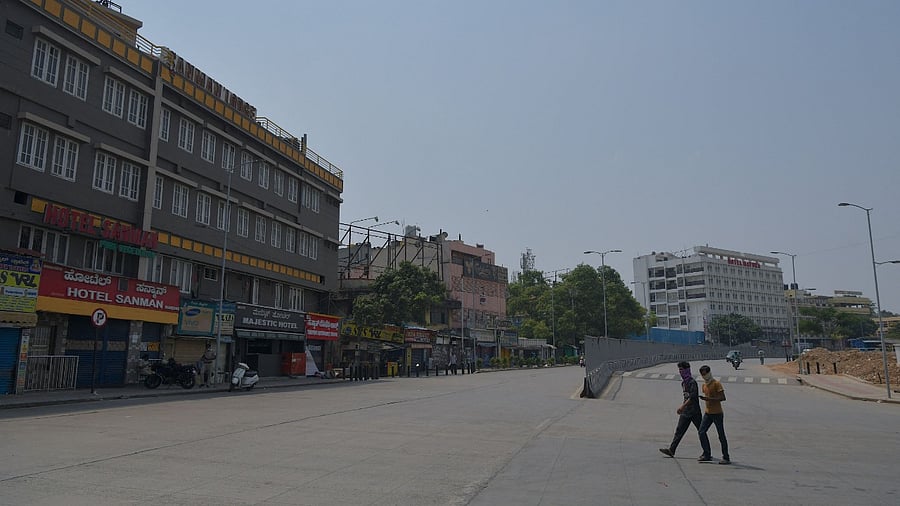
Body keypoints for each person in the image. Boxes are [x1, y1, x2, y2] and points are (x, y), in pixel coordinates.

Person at [659, 361, 702, 458]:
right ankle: (672, 450)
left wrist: (682, 407)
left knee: (701, 431)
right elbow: (686, 397)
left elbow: (692, 397)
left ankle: (707, 452)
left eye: (682, 369)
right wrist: (683, 408)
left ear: (687, 370)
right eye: (679, 370)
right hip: (686, 412)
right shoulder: (684, 383)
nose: (680, 372)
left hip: (694, 412)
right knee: (679, 430)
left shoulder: (692, 382)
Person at [698, 365, 731, 464]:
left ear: (709, 373)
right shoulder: (704, 385)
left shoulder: (716, 384)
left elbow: (723, 398)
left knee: (721, 435)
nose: (704, 376)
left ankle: (726, 457)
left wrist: (710, 399)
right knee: (701, 432)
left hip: (717, 413)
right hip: (708, 413)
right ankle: (707, 454)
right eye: (702, 374)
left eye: (705, 374)